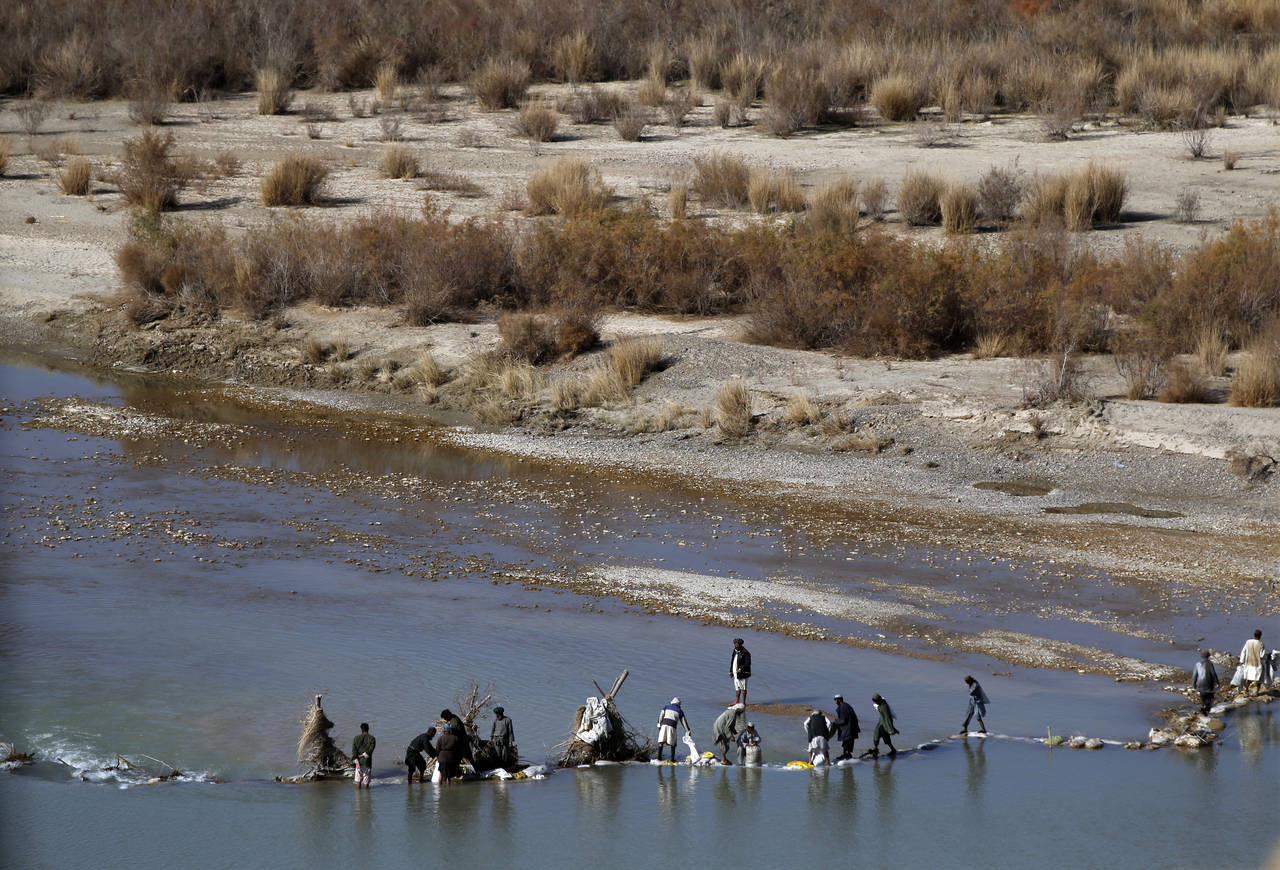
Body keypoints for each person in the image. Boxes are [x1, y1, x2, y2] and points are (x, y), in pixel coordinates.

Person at [655, 697, 692, 762]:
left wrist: (659, 725)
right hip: (672, 727)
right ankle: (672, 760)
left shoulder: (666, 707)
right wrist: (688, 731)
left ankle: (659, 759)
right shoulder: (680, 711)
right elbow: (684, 722)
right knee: (673, 744)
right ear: (678, 705)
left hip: (664, 725)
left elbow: (660, 716)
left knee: (661, 742)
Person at [832, 694, 859, 761]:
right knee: (846, 743)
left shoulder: (843, 707)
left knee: (846, 743)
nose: (835, 702)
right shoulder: (846, 705)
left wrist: (836, 721)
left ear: (839, 700)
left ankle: (846, 756)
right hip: (851, 728)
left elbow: (843, 720)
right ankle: (846, 755)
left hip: (848, 729)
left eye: (835, 700)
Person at [1192, 650, 1220, 714]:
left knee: (1203, 698)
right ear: (1208, 656)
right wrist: (1217, 682)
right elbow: (1213, 674)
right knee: (1209, 699)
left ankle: (1204, 709)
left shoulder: (1197, 664)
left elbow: (1194, 676)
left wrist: (1193, 685)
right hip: (1209, 685)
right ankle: (1206, 710)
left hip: (1200, 685)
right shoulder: (1210, 663)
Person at [1239, 630, 1265, 696]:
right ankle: (1257, 692)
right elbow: (1262, 655)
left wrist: (1241, 661)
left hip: (1249, 664)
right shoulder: (1261, 644)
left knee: (1248, 678)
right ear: (1260, 636)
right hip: (1257, 664)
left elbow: (1243, 651)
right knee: (1259, 679)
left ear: (1254, 635)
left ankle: (1246, 689)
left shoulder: (1248, 642)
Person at [351, 722, 375, 789]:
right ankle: (366, 797)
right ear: (368, 729)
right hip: (367, 762)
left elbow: (354, 751)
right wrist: (363, 755)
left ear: (361, 729)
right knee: (366, 781)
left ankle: (359, 796)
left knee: (358, 781)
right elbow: (370, 751)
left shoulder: (356, 738)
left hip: (358, 762)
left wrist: (356, 759)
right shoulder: (372, 738)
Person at [730, 638, 752, 706]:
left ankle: (743, 702)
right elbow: (732, 661)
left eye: (737, 644)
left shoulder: (746, 652)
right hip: (735, 672)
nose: (735, 645)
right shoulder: (735, 651)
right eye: (735, 643)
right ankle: (737, 701)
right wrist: (731, 671)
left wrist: (741, 669)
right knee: (737, 687)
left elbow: (748, 663)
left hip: (743, 673)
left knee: (743, 688)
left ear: (740, 644)